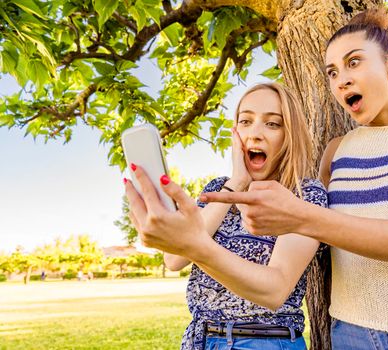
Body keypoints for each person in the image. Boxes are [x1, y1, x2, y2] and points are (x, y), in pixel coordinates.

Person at [201, 7, 388, 350]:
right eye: (332, 71)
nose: (342, 80)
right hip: (352, 337)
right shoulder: (335, 152)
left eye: (354, 62)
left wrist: (301, 216)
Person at [124, 83, 328, 350]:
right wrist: (236, 184)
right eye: (246, 121)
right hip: (201, 338)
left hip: (265, 341)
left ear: (290, 135)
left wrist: (195, 245)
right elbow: (174, 259)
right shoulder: (217, 189)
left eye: (272, 124)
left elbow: (274, 290)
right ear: (235, 133)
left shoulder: (306, 194)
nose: (255, 134)